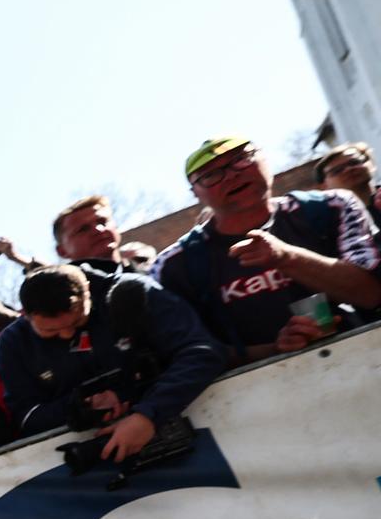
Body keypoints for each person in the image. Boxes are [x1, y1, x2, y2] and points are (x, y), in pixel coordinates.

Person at [153, 136, 381, 362]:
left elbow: (372, 294)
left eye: (241, 158)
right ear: (194, 192)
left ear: (265, 158)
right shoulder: (173, 265)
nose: (232, 175)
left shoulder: (331, 207)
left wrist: (286, 257)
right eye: (210, 175)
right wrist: (275, 349)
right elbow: (184, 353)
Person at [0, 264, 227, 456]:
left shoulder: (132, 293)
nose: (67, 335)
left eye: (76, 323)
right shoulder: (13, 343)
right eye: (51, 333)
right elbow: (25, 417)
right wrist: (79, 408)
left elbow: (202, 352)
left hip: (199, 428)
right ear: (24, 314)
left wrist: (148, 413)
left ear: (87, 289)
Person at [317, 142, 381, 227]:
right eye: (337, 170)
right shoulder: (331, 226)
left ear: (371, 164)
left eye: (354, 162)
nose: (348, 169)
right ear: (324, 186)